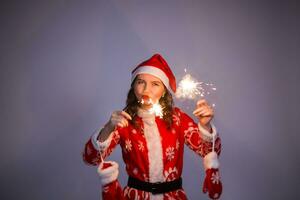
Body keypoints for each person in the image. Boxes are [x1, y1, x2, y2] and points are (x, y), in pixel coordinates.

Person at [82, 54, 222, 200]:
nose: (146, 90)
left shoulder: (178, 119)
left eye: (155, 84)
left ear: (164, 91)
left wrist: (205, 126)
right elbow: (90, 159)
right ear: (133, 86)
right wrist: (108, 128)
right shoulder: (124, 121)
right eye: (141, 82)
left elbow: (210, 152)